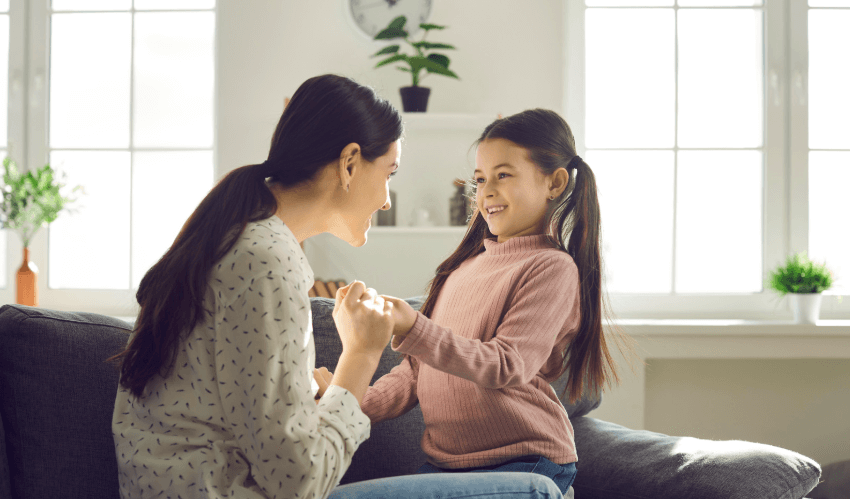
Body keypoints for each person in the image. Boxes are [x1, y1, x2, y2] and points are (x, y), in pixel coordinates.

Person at [109, 74, 564, 499]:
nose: (386, 199)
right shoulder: (267, 261)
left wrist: (326, 388)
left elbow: (254, 414)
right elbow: (298, 482)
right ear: (349, 163)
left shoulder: (241, 239)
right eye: (389, 174)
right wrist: (361, 353)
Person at [348, 108, 630, 496]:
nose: (487, 191)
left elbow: (507, 365)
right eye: (480, 179)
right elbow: (415, 373)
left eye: (503, 175)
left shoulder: (551, 267)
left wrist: (414, 327)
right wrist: (346, 408)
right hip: (445, 466)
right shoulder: (462, 269)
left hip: (526, 462)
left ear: (555, 182)